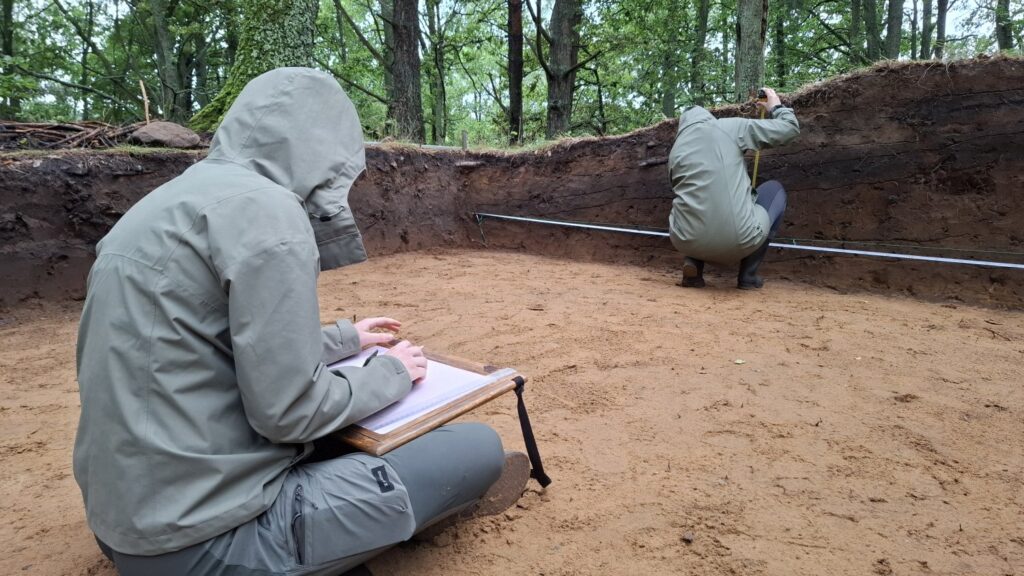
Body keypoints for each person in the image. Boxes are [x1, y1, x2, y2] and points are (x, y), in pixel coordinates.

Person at [73, 67, 527, 576]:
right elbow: (289, 412)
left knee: (346, 441)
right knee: (477, 448)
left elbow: (214, 340)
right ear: (326, 150)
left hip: (125, 525)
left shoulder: (168, 201)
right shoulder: (270, 213)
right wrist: (392, 371)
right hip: (211, 543)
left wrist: (345, 338)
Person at [667, 87, 800, 289]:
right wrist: (776, 106)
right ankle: (748, 275)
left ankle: (693, 267)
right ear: (707, 118)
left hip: (685, 239)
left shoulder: (675, 151)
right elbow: (789, 129)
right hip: (738, 239)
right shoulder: (727, 127)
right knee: (774, 191)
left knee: (694, 199)